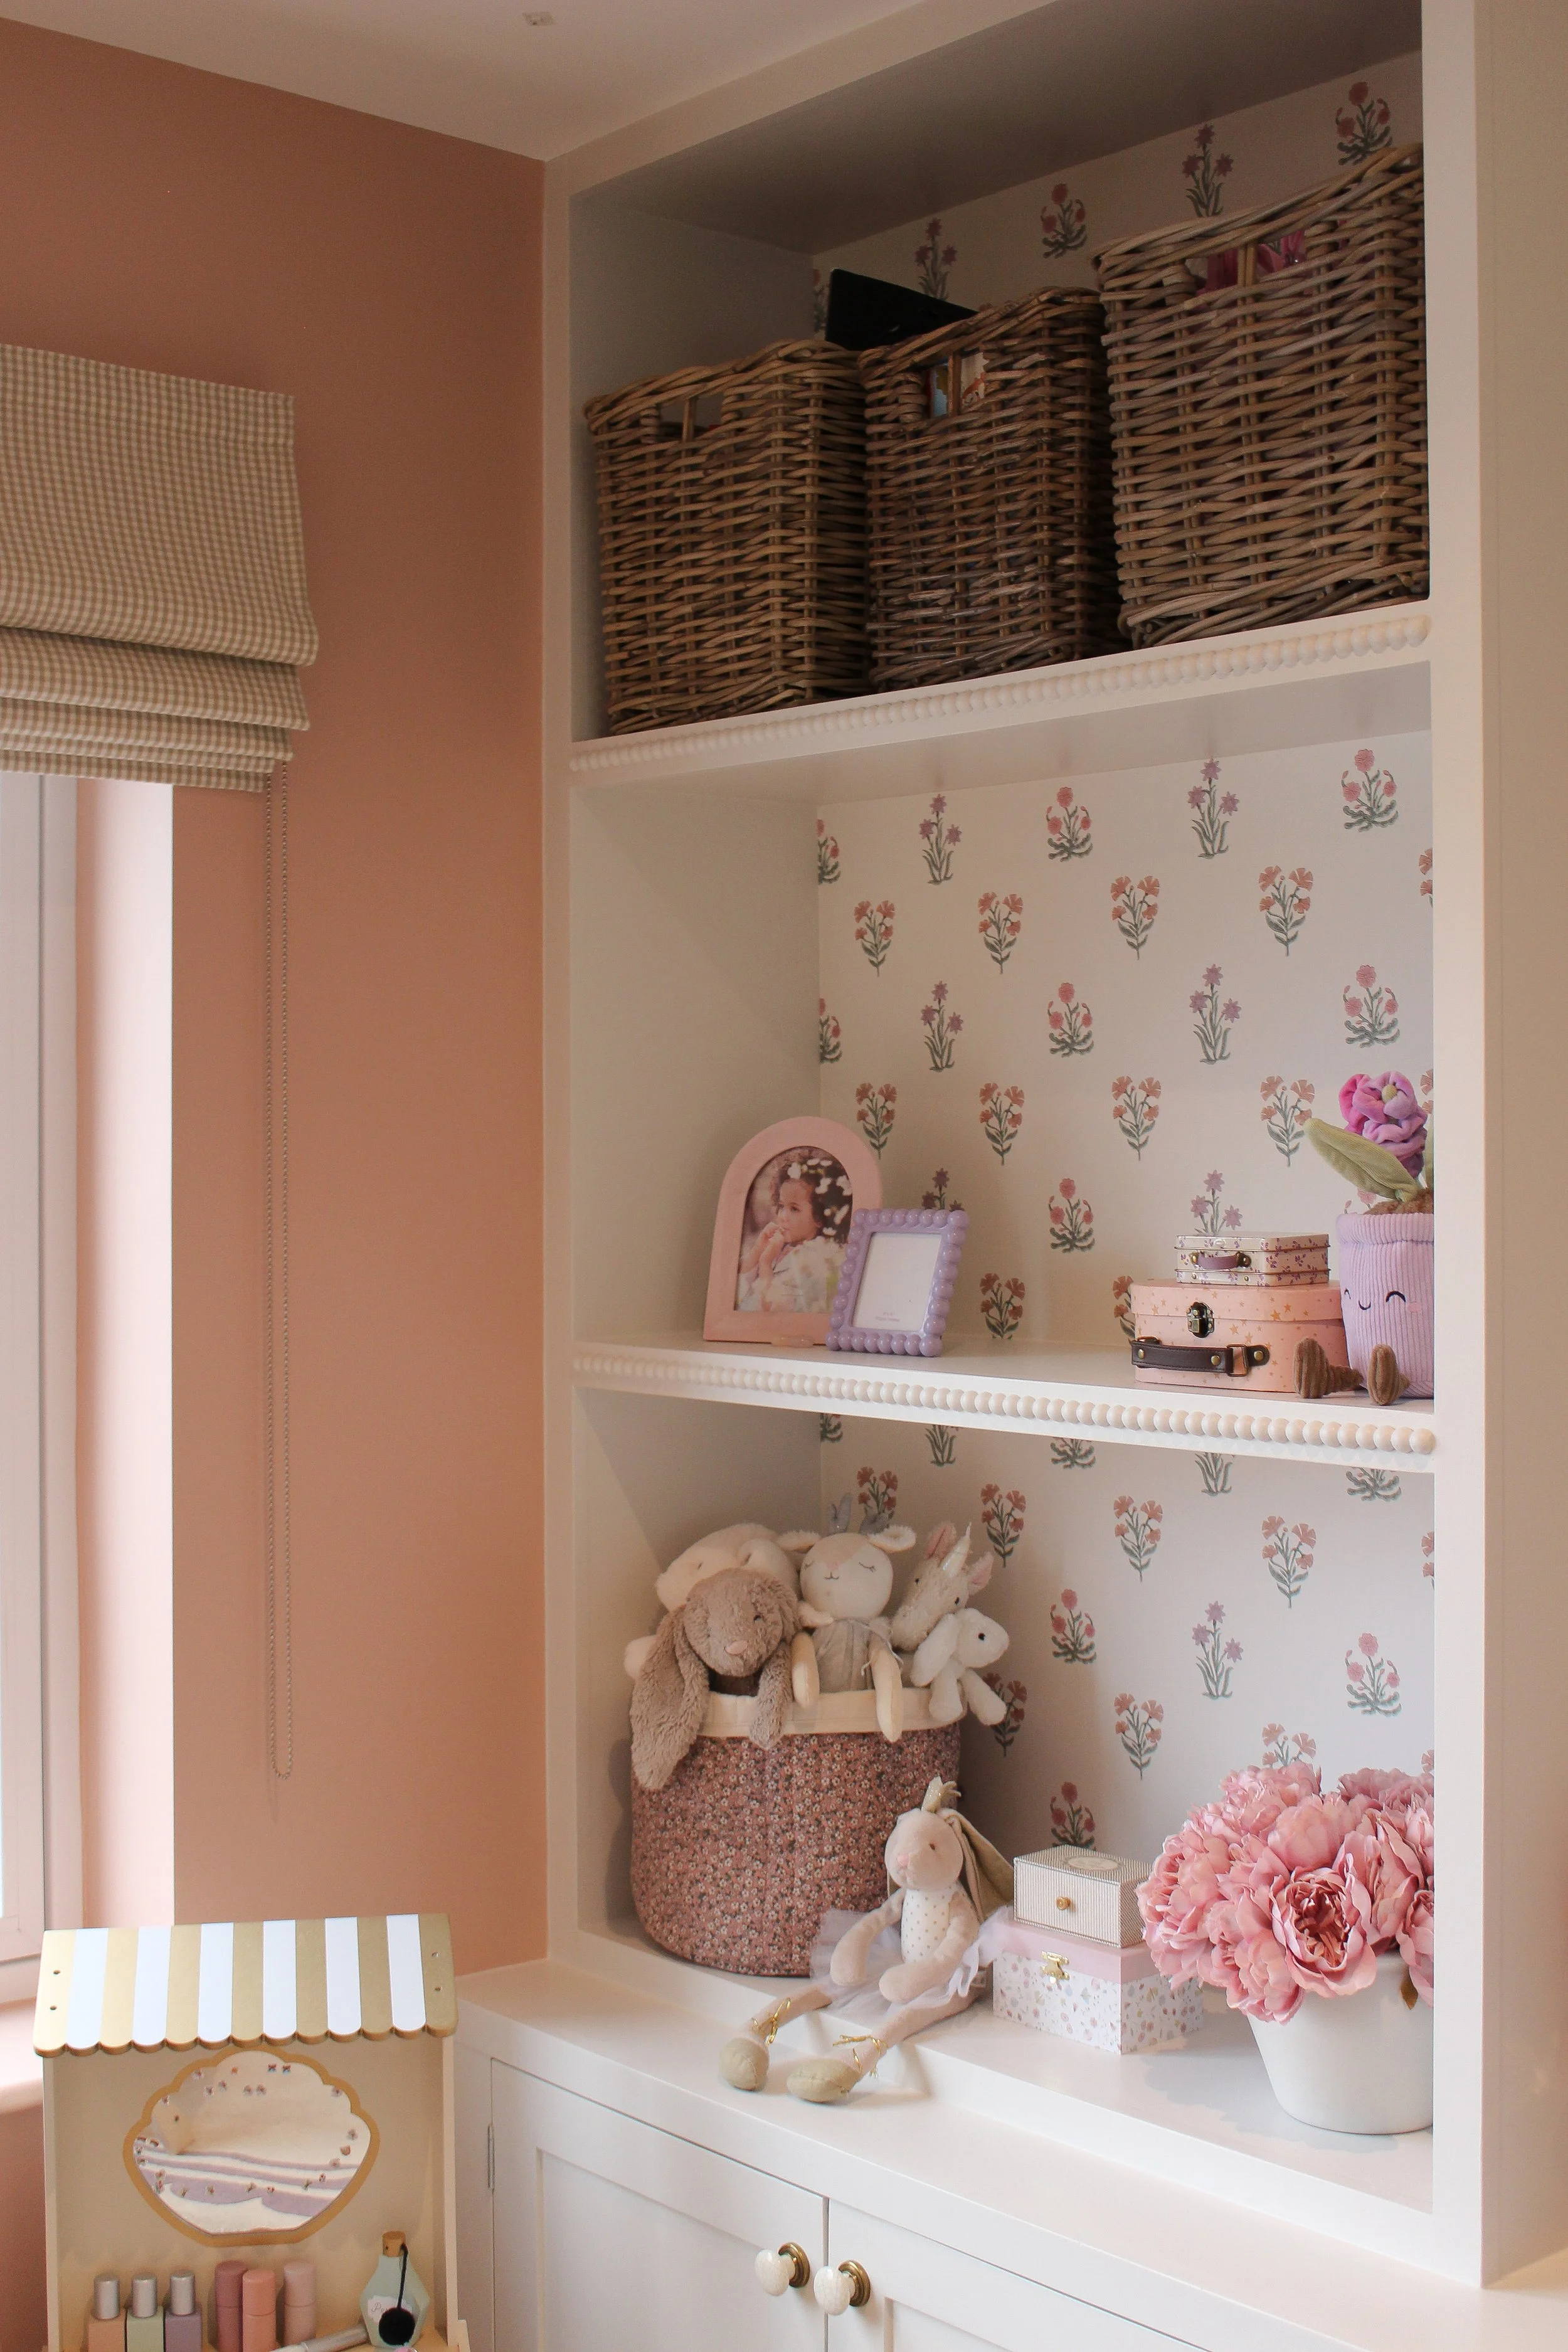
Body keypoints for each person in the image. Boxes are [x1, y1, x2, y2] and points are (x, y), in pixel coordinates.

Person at [736, 1152, 851, 1314]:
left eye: (794, 1209)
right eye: (781, 1206)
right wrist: (757, 1251)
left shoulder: (815, 1261)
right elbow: (736, 1282)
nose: (783, 1217)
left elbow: (776, 1311)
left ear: (820, 1216)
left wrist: (766, 1265)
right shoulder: (782, 1247)